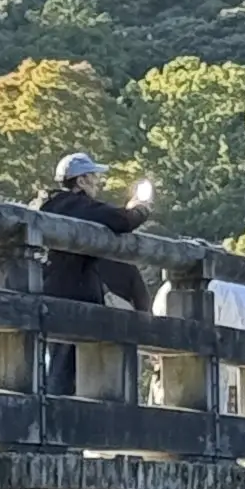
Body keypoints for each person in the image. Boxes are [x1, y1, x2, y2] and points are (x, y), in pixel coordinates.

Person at [32, 150, 149, 400]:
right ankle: (62, 418)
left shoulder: (46, 204)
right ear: (81, 181)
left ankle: (53, 414)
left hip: (48, 290)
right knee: (69, 369)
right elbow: (121, 221)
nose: (97, 182)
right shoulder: (76, 206)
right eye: (93, 177)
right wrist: (140, 209)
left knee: (59, 363)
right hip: (73, 294)